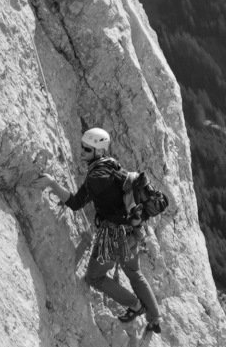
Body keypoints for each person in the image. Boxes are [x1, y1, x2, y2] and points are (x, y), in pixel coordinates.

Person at [61, 127, 164, 336]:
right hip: (133, 232)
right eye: (82, 147)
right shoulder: (113, 165)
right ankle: (155, 318)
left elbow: (75, 202)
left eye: (86, 149)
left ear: (98, 152)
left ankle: (135, 305)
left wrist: (52, 184)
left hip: (113, 236)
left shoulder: (97, 177)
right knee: (135, 274)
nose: (81, 151)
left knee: (94, 276)